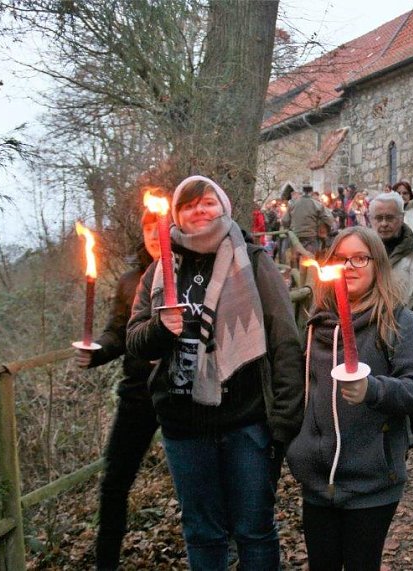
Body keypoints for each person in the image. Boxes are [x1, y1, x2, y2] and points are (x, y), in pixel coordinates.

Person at [127, 176, 304, 570]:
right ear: (176, 216)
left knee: (254, 528)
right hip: (184, 426)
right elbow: (135, 341)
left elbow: (286, 343)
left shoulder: (255, 261)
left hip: (247, 421)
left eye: (207, 202)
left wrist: (284, 423)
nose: (199, 210)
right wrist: (160, 329)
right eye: (188, 206)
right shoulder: (159, 271)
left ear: (223, 207)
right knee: (203, 533)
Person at [286, 227, 413, 570]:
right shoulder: (315, 325)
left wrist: (374, 390)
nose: (349, 266)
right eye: (341, 258)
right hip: (318, 480)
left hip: (371, 481)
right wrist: (298, 445)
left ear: (376, 265)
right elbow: (301, 390)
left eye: (359, 258)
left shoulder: (398, 321)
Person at [73, 210, 160, 571]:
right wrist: (96, 353)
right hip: (138, 392)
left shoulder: (193, 272)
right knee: (114, 482)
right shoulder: (130, 281)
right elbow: (117, 333)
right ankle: (106, 562)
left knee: (200, 480)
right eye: (148, 229)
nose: (155, 235)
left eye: (161, 228)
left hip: (185, 393)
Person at [368, 191, 413, 329]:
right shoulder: (361, 249)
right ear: (371, 219)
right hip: (366, 333)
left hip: (405, 333)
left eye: (390, 218)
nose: (384, 223)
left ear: (401, 218)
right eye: (378, 218)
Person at [281, 184, 335, 256]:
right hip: (311, 237)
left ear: (302, 191)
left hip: (296, 237)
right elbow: (328, 219)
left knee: (295, 259)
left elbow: (285, 220)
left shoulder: (293, 204)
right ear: (311, 192)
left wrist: (289, 228)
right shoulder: (317, 204)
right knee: (310, 259)